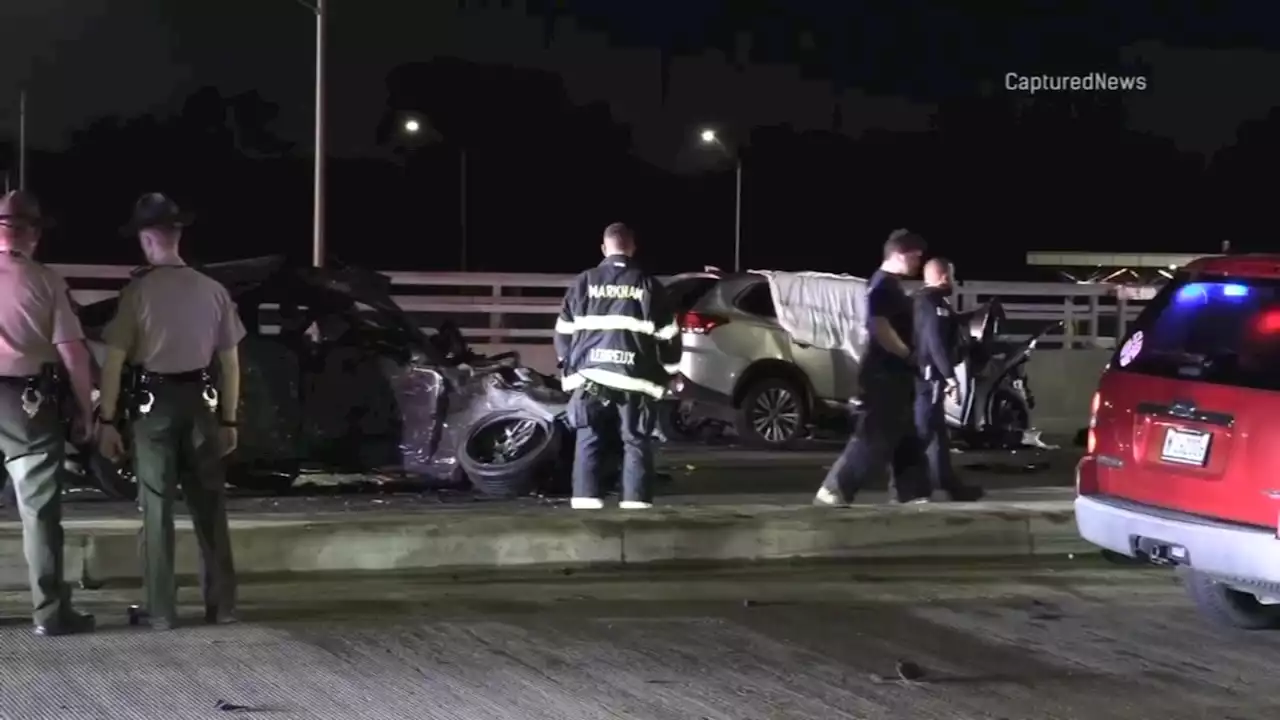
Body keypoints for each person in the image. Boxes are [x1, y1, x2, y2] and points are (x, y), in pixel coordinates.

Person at [95, 193, 245, 630]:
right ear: (178, 235)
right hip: (202, 404)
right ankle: (222, 606)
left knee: (157, 508)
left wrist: (106, 420)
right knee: (210, 507)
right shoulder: (214, 290)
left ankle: (160, 608)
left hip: (153, 406)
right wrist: (230, 419)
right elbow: (232, 363)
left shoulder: (137, 292)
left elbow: (115, 361)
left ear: (145, 240)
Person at [0, 191, 98, 636]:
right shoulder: (45, 282)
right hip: (26, 403)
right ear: (34, 235)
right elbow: (73, 354)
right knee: (38, 510)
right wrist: (87, 408)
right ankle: (50, 613)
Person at [554, 222, 681, 510]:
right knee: (635, 441)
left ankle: (585, 507)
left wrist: (567, 363)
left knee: (589, 439)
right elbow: (669, 338)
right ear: (632, 248)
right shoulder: (649, 285)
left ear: (604, 248)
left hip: (589, 377)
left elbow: (563, 332)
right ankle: (636, 509)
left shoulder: (583, 282)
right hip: (635, 378)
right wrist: (671, 373)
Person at [815, 229, 928, 506]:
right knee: (874, 434)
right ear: (899, 254)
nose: (918, 263)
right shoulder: (883, 286)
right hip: (884, 375)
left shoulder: (891, 285)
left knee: (906, 434)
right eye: (916, 256)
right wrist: (906, 354)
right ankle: (834, 489)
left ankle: (910, 493)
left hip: (897, 374)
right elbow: (879, 325)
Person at [906, 258, 984, 502]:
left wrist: (979, 314)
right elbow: (935, 342)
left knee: (937, 433)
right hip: (929, 377)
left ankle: (947, 484)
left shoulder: (929, 301)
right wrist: (951, 378)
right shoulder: (932, 303)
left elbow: (950, 323)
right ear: (942, 276)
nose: (954, 281)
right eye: (951, 276)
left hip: (928, 376)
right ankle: (910, 487)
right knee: (924, 431)